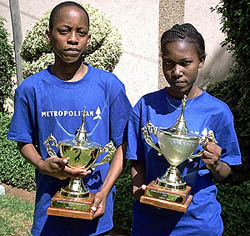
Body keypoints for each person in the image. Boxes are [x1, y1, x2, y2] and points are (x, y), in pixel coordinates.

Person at [8, 1, 131, 236]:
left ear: (88, 38)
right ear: (49, 36)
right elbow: (23, 141)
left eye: (80, 32)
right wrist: (43, 165)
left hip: (95, 210)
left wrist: (104, 191)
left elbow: (123, 144)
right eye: (64, 31)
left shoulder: (109, 86)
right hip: (49, 213)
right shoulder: (30, 89)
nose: (73, 39)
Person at [126, 23, 241, 236]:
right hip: (150, 224)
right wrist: (138, 187)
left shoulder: (218, 112)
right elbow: (137, 160)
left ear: (201, 61)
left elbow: (226, 171)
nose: (176, 72)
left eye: (185, 63)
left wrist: (215, 164)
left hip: (198, 225)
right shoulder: (145, 106)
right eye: (168, 63)